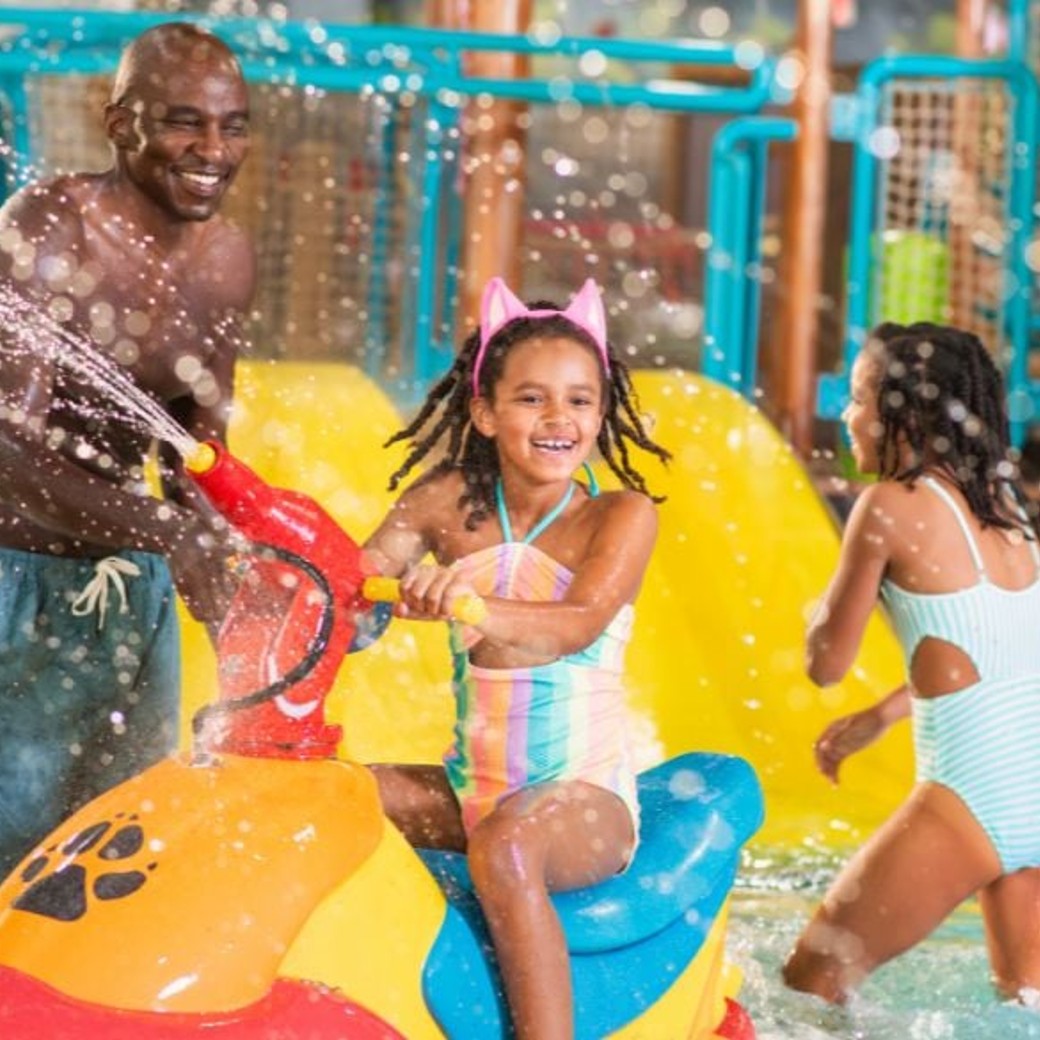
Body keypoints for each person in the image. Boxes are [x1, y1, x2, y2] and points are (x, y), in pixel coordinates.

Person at [361, 276, 670, 1040]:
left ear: (600, 414)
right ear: (484, 412)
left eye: (580, 400)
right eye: (532, 398)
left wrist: (459, 600)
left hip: (583, 800)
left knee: (505, 843)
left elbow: (574, 624)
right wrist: (344, 593)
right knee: (326, 796)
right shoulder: (444, 502)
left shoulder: (620, 515)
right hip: (472, 787)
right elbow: (355, 583)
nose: (559, 418)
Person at [0, 22, 254, 878]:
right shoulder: (47, 229)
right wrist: (172, 533)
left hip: (124, 592)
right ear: (120, 126)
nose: (213, 150)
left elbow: (198, 447)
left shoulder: (225, 258)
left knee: (118, 855)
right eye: (185, 122)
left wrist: (245, 543)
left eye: (234, 125)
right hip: (12, 578)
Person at [782, 322, 1040, 1004]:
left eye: (860, 398)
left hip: (971, 797)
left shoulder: (887, 507)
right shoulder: (1007, 510)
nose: (846, 415)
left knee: (809, 986)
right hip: (1033, 792)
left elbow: (825, 665)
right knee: (1024, 1005)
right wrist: (884, 715)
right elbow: (1003, 658)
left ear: (910, 414)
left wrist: (817, 616)